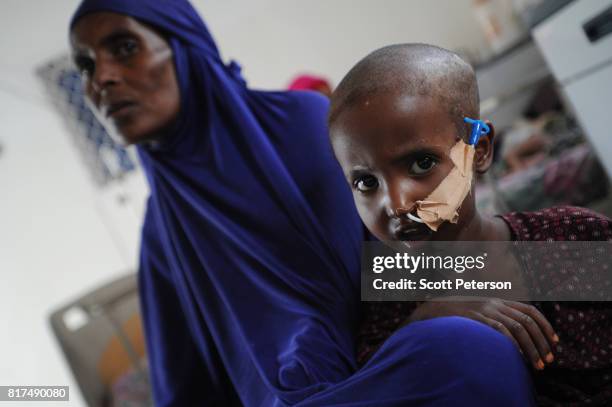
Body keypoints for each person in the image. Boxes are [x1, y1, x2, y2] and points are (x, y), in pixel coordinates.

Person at [69, 2, 535, 405]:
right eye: (85, 66)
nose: (102, 79)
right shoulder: (163, 228)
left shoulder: (299, 125)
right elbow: (187, 388)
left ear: (185, 45)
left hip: (384, 363)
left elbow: (399, 249)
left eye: (125, 48)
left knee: (473, 351)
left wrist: (583, 267)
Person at [328, 43, 612, 406]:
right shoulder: (394, 297)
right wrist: (427, 324)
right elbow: (382, 386)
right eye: (367, 183)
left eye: (421, 163)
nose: (397, 205)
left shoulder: (570, 238)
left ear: (479, 150)